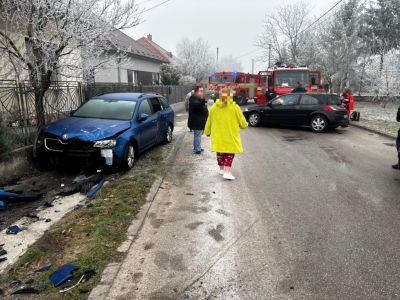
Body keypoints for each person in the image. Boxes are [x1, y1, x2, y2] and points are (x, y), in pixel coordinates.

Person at [204, 87, 248, 180]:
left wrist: (207, 132)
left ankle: (221, 169)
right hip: (230, 136)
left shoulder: (214, 108)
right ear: (231, 95)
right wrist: (244, 125)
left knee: (220, 152)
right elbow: (243, 123)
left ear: (220, 95)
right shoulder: (235, 108)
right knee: (229, 153)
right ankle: (227, 172)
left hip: (218, 136)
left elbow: (209, 121)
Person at [188, 86, 208, 154]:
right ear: (196, 92)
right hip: (196, 121)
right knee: (197, 135)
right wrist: (203, 101)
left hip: (199, 120)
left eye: (202, 91)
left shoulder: (198, 98)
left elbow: (202, 107)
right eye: (200, 91)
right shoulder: (193, 99)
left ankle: (197, 146)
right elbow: (197, 105)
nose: (201, 92)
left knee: (198, 135)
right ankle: (197, 149)